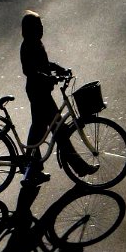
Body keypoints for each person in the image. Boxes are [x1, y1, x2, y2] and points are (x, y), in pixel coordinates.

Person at [19, 11, 98, 185]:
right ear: (31, 29)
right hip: (38, 93)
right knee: (59, 130)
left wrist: (60, 69)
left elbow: (46, 65)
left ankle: (31, 167)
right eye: (39, 26)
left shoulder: (36, 43)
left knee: (40, 131)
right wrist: (49, 77)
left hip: (42, 92)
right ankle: (77, 167)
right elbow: (30, 71)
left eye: (42, 26)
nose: (42, 29)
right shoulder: (27, 46)